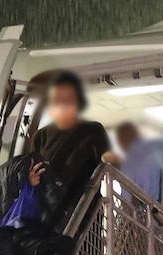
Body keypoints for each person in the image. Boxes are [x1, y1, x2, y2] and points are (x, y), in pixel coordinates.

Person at [30, 71, 111, 223]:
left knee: (82, 246)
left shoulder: (93, 130)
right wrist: (31, 179)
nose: (62, 104)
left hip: (84, 214)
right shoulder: (41, 136)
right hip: (50, 214)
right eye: (56, 100)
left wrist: (109, 157)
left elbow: (111, 160)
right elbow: (32, 172)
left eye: (68, 99)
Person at [115, 121, 163, 203]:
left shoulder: (129, 162)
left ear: (122, 140)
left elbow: (129, 196)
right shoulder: (154, 149)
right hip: (161, 203)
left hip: (144, 207)